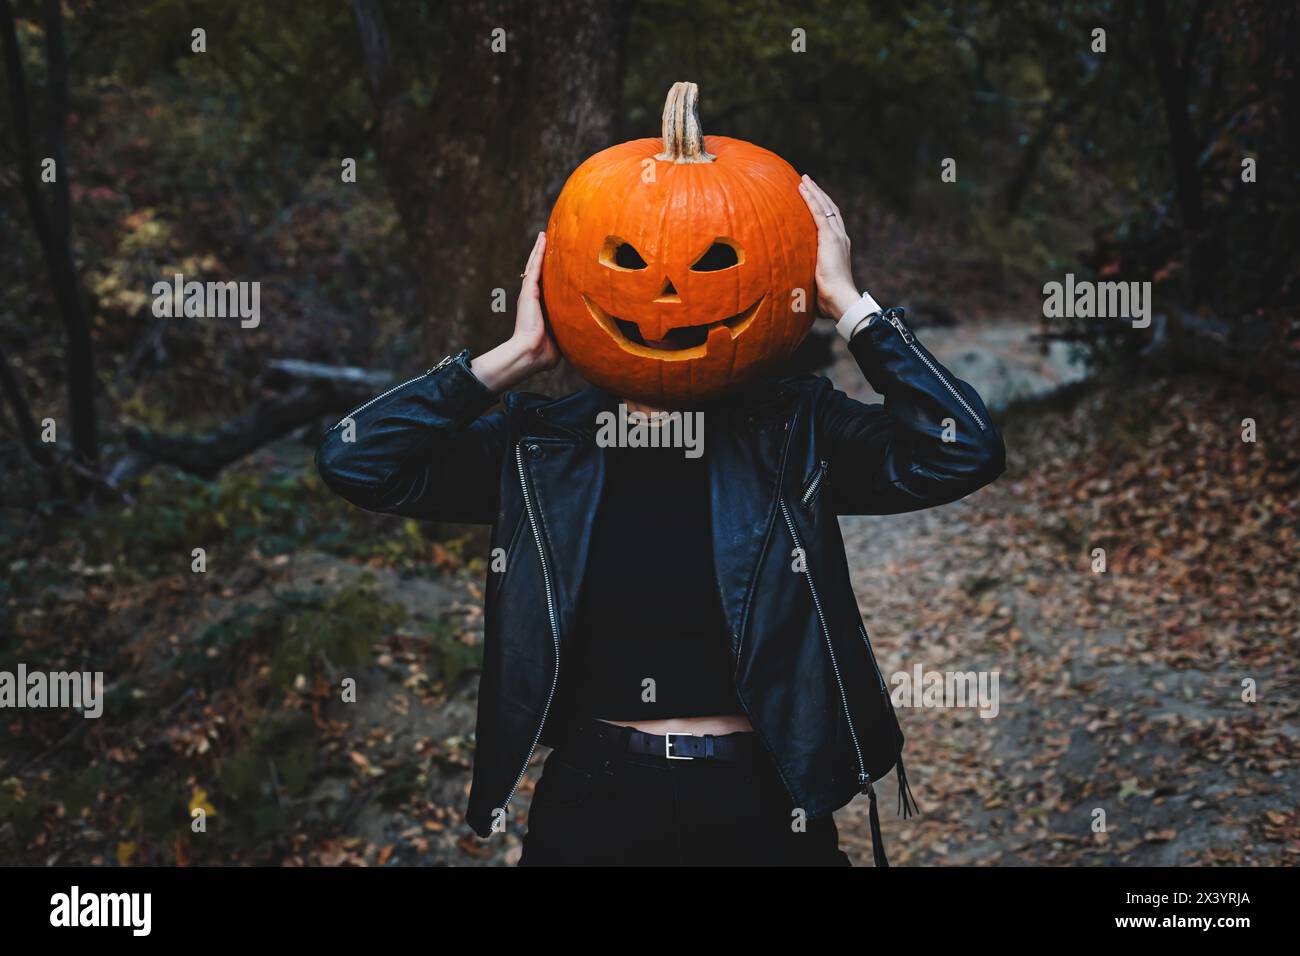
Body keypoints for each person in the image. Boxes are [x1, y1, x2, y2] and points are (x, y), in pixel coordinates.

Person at [315, 176, 1005, 866]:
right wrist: (514, 357)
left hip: (762, 797)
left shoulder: (795, 428)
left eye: (712, 266)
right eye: (632, 265)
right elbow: (357, 460)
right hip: (597, 796)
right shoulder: (537, 448)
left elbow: (963, 451)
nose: (670, 296)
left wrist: (853, 309)